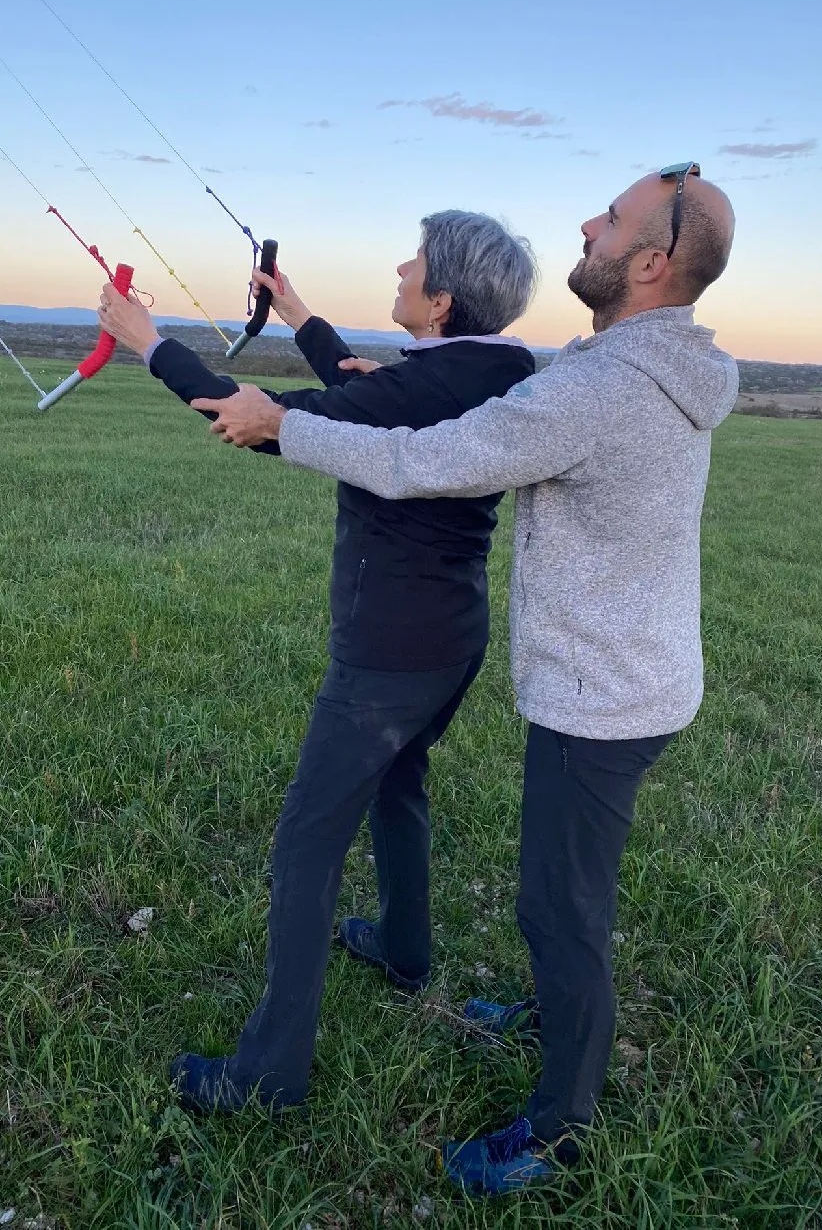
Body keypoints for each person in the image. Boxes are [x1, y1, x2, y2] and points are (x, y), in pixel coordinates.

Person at [197, 167, 740, 1196]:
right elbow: (485, 400)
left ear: (653, 261)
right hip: (632, 669)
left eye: (613, 219)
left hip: (605, 694)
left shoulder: (600, 385)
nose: (588, 222)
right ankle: (547, 1015)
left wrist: (283, 425)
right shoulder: (648, 364)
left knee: (559, 909)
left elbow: (425, 457)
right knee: (564, 895)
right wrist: (353, 359)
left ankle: (562, 1125)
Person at [97, 211, 539, 1116]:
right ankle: (404, 950)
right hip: (452, 635)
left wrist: (147, 341)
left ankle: (269, 1071)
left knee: (306, 841)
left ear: (441, 300)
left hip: (387, 653)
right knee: (400, 785)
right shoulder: (492, 369)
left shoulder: (427, 386)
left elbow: (252, 421)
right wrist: (295, 311)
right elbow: (363, 385)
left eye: (414, 263)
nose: (400, 266)